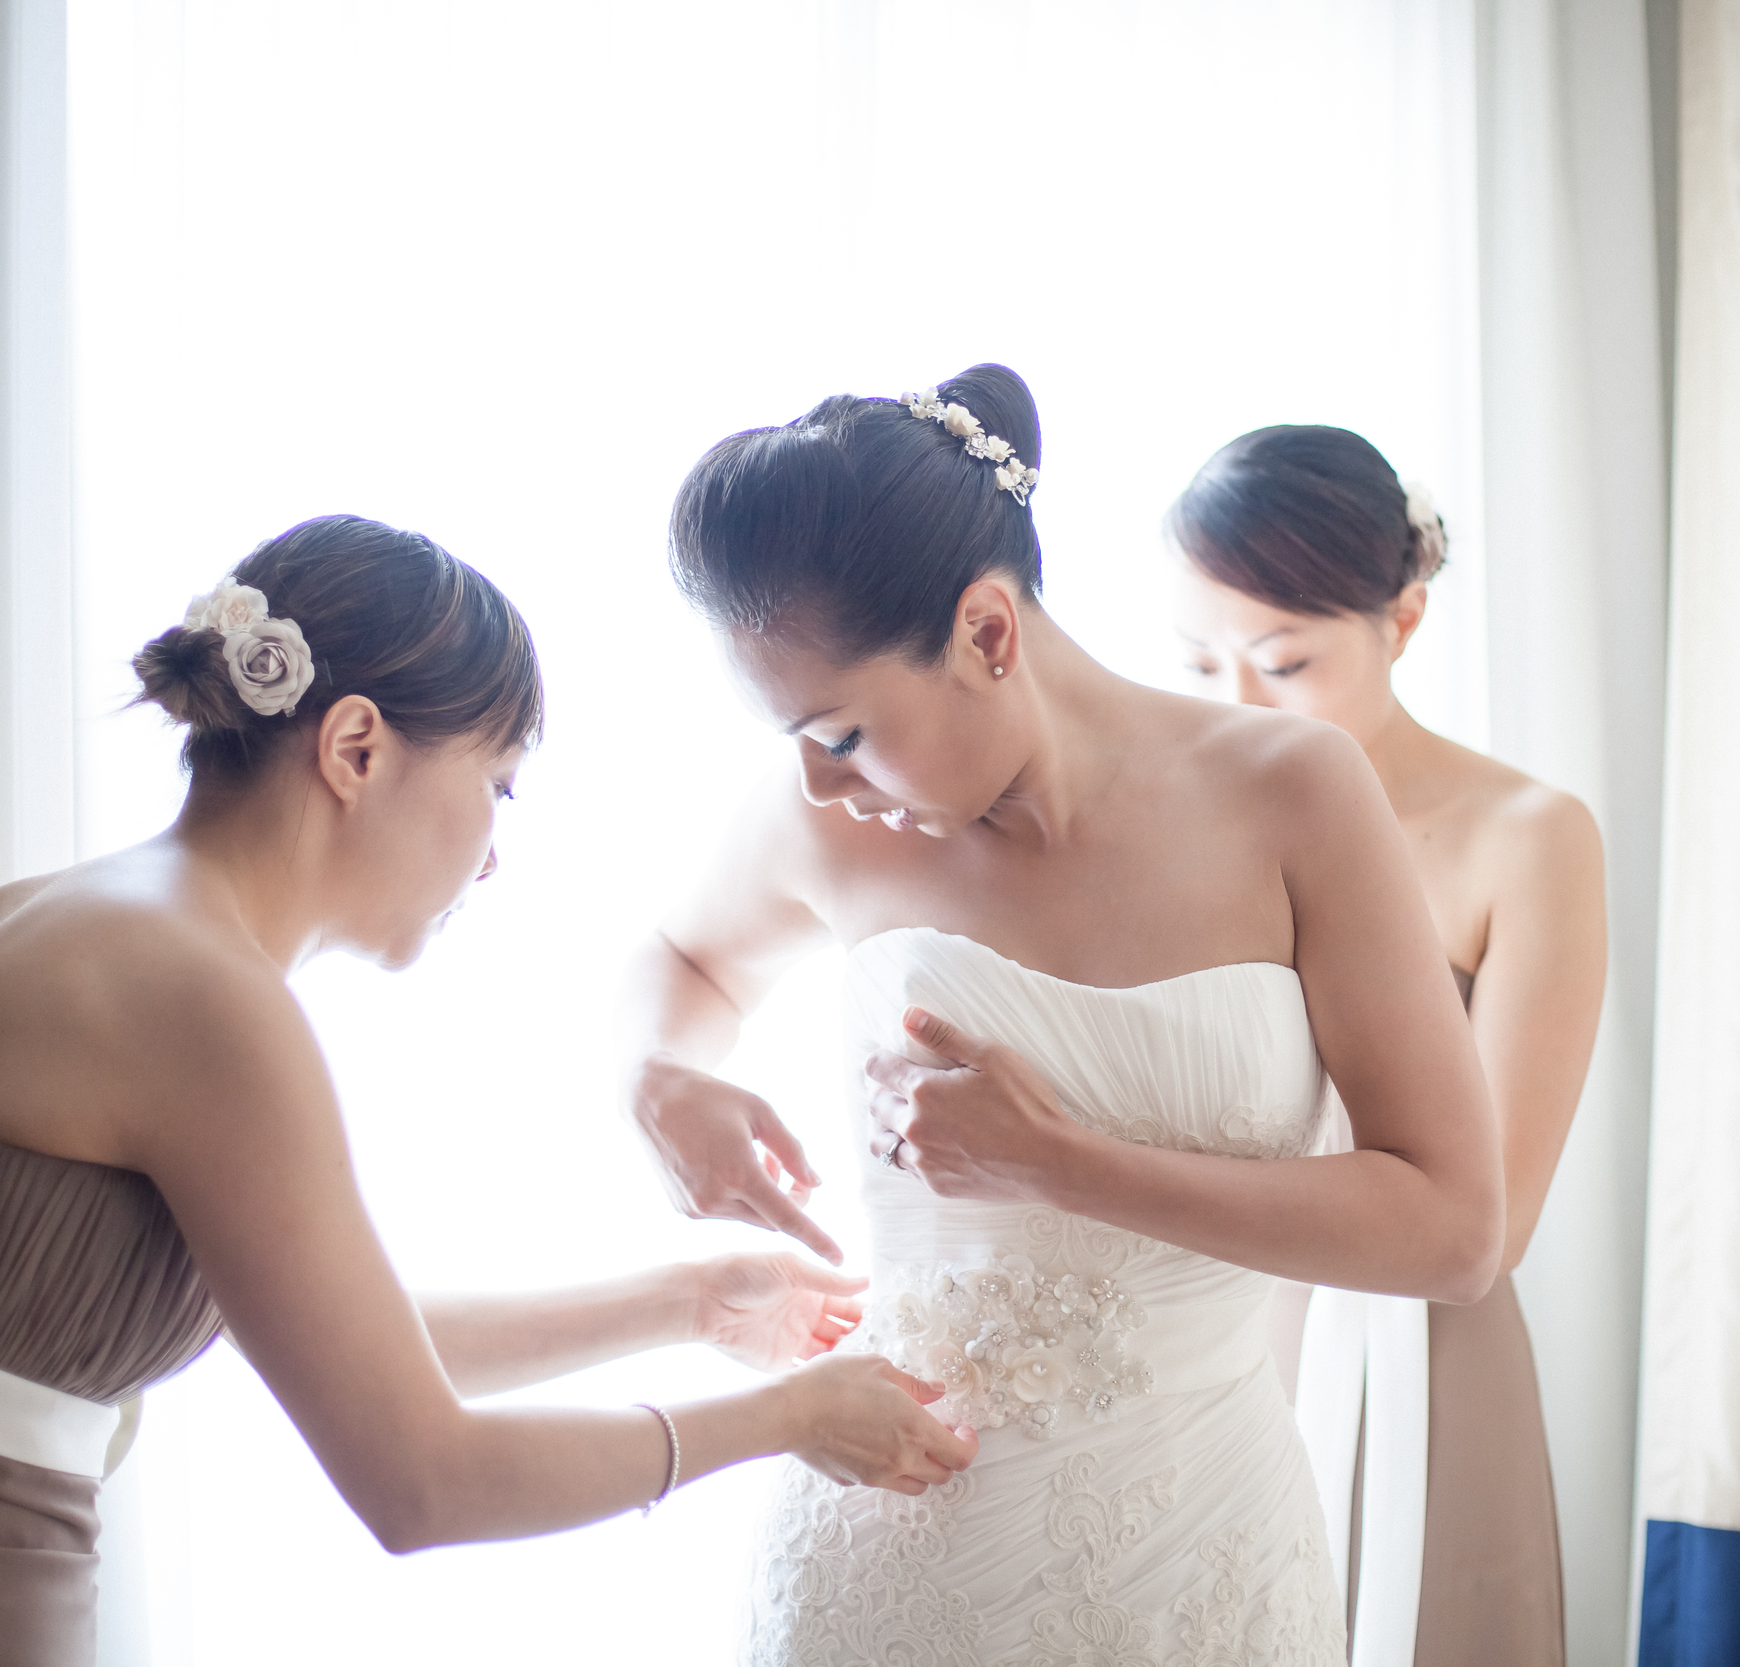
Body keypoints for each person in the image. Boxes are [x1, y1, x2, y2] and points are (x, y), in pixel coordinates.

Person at [0, 515, 971, 1667]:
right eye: (496, 785)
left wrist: (685, 1299)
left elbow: (344, 1328)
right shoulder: (201, 996)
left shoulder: (68, 920)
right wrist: (785, 1417)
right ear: (353, 746)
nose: (495, 854)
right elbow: (422, 1477)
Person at [620, 367, 1504, 1664]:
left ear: (987, 631)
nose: (815, 777)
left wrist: (1058, 1162)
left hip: (1203, 1547)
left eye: (846, 729)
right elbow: (679, 954)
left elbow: (1452, 1227)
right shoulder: (827, 815)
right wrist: (656, 1081)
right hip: (891, 1557)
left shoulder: (1294, 795)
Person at [1170, 426, 1607, 1667]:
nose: (1235, 706)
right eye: (1197, 663)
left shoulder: (1526, 835)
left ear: (1403, 618)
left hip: (1417, 1348)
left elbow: (1496, 1220)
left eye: (1285, 661)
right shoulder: (1183, 820)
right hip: (1200, 1335)